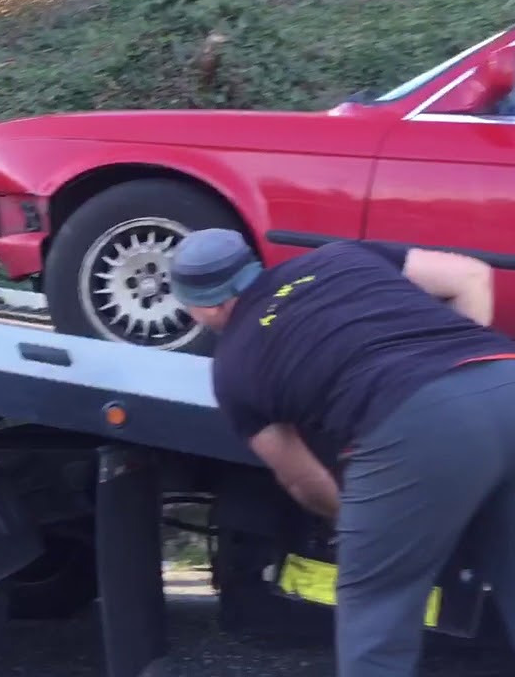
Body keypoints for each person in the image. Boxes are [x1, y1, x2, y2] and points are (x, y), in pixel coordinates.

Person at [169, 228, 515, 677]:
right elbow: (471, 275)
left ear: (207, 305)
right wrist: (464, 372)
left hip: (411, 421)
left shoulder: (233, 367)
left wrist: (366, 525)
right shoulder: (339, 257)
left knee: (378, 612)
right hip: (504, 377)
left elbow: (304, 479)